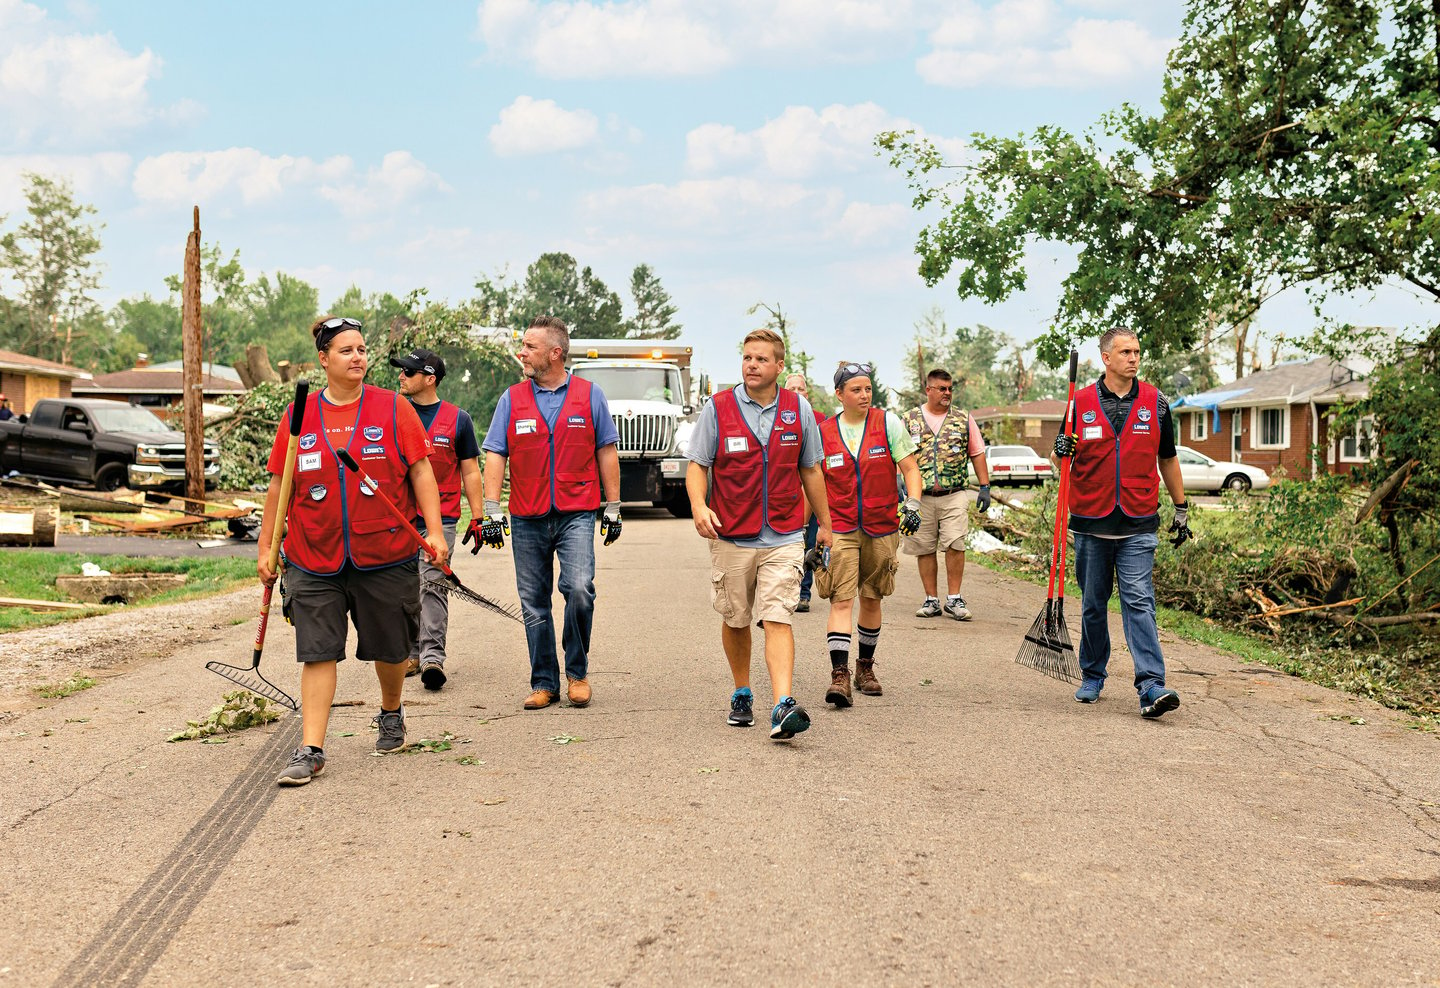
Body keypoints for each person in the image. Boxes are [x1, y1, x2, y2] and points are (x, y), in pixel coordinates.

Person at [262, 316, 449, 786]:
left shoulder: (392, 408)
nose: (358, 357)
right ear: (324, 360)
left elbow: (422, 473)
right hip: (313, 556)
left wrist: (435, 533)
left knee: (390, 650)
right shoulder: (298, 415)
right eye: (346, 350)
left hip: (385, 554)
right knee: (318, 651)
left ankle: (390, 711)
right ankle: (311, 748)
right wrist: (268, 546)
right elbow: (279, 487)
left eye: (362, 349)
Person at [685, 329, 833, 741]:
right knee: (736, 618)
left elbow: (811, 470)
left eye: (761, 359)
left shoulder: (797, 409)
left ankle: (783, 703)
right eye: (747, 358)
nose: (751, 365)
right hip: (731, 532)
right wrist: (699, 506)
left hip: (784, 533)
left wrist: (825, 524)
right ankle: (742, 692)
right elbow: (697, 465)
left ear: (779, 367)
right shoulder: (718, 408)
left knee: (778, 616)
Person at [480, 316, 622, 711]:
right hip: (527, 515)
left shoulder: (589, 396)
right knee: (533, 601)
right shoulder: (511, 398)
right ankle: (544, 680)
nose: (521, 353)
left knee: (578, 589)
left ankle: (576, 673)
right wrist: (491, 510)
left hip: (576, 512)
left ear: (555, 353)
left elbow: (606, 450)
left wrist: (613, 506)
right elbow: (495, 453)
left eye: (529, 347)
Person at [1053, 327, 1189, 718]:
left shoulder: (1156, 402)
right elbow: (1059, 462)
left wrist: (1181, 508)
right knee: (1094, 605)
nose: (1134, 358)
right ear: (1106, 358)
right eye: (1126, 352)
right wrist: (1061, 449)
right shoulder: (1078, 403)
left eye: (1137, 351)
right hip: (1091, 522)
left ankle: (1151, 685)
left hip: (1138, 521)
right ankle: (1093, 674)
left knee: (1139, 602)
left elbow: (1168, 458)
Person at [816, 362, 922, 706]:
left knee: (872, 598)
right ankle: (840, 675)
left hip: (881, 525)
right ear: (839, 395)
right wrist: (814, 528)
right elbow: (813, 484)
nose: (864, 395)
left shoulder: (887, 423)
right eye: (856, 390)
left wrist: (914, 504)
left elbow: (910, 468)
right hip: (841, 527)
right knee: (841, 599)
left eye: (868, 389)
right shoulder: (823, 432)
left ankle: (865, 668)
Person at [391, 347, 484, 692]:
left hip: (440, 520)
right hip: (399, 518)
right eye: (401, 371)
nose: (401, 376)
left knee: (432, 585)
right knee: (403, 589)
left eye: (409, 372)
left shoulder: (458, 419)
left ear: (430, 379)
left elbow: (470, 470)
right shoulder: (394, 413)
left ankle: (432, 657)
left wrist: (478, 517)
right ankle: (410, 653)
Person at [900, 369, 990, 620]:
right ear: (928, 390)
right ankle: (931, 599)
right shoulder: (909, 419)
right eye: (942, 388)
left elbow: (977, 452)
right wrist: (898, 479)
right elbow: (897, 453)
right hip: (920, 496)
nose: (947, 393)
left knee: (955, 543)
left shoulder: (963, 418)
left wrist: (984, 486)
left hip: (954, 493)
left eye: (950, 388)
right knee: (924, 547)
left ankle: (954, 599)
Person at [782, 372, 825, 613]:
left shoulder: (821, 420)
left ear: (807, 394)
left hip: (813, 492)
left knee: (809, 541)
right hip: (787, 494)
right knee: (788, 544)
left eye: (801, 389)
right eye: (792, 390)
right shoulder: (778, 418)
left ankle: (804, 592)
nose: (797, 393)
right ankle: (785, 589)